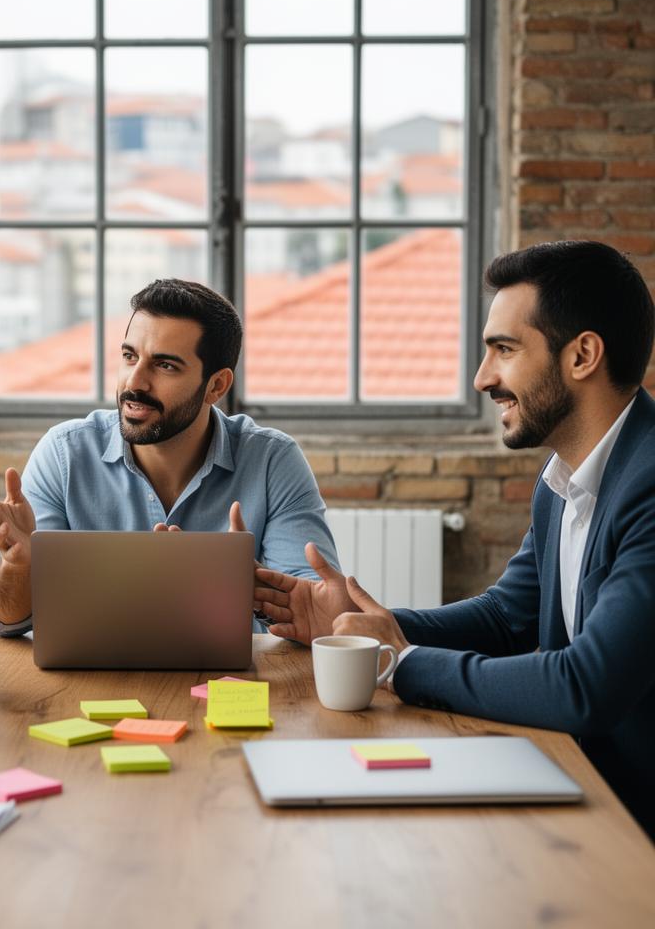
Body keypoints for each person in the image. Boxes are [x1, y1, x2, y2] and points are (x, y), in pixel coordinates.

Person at [255, 240, 655, 839]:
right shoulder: (564, 483)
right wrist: (367, 625)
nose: (482, 377)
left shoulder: (648, 484)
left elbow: (586, 686)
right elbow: (505, 619)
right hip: (583, 790)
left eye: (505, 349)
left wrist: (401, 662)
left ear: (583, 355)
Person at [0, 278, 338, 635]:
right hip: (88, 688)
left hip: (227, 688)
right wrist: (17, 568)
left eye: (165, 365)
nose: (135, 382)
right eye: (129, 356)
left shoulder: (273, 461)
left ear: (216, 386)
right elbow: (7, 620)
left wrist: (244, 586)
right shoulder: (64, 454)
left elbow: (314, 614)